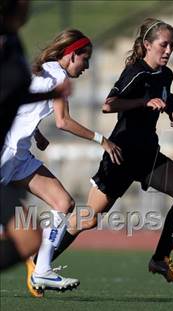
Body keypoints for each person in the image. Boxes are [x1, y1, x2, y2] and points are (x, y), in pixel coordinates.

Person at [48, 17, 173, 285]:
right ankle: (41, 262)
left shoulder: (166, 74)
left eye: (172, 45)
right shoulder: (136, 72)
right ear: (147, 45)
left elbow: (167, 98)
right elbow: (109, 104)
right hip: (121, 154)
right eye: (164, 45)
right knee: (89, 219)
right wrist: (143, 101)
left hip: (148, 156)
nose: (168, 51)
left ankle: (160, 258)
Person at [1, 28, 123, 296]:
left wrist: (36, 133)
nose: (86, 67)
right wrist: (101, 139)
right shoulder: (56, 75)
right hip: (5, 154)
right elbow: (63, 121)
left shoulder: (45, 69)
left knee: (64, 203)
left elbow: (20, 107)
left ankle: (42, 270)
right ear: (72, 54)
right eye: (85, 59)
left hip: (19, 155)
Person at [0, 0, 71, 272]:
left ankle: (41, 271)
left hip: (14, 150)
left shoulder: (14, 42)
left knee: (30, 239)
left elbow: (14, 96)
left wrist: (50, 96)